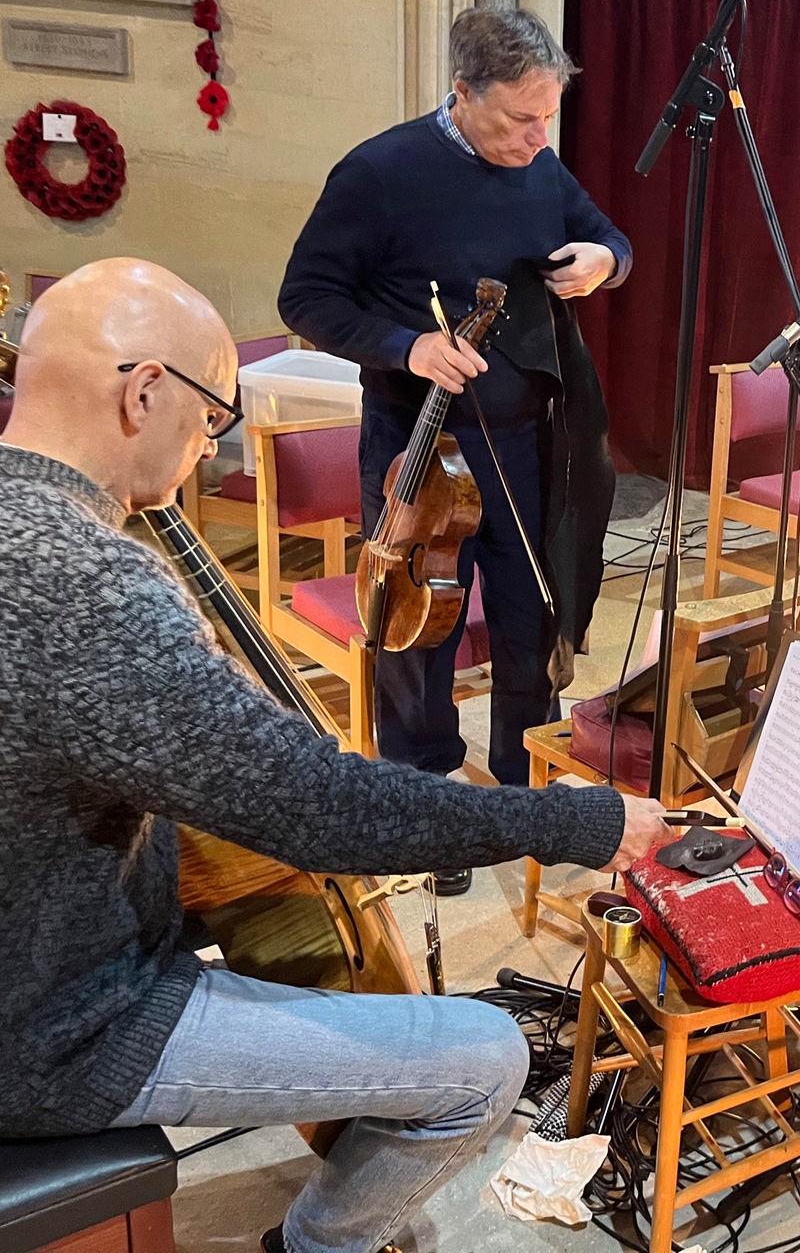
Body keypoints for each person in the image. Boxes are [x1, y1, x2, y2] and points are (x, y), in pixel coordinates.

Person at [0, 259, 672, 1253]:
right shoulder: (83, 578)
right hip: (55, 1029)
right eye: (209, 419)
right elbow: (322, 808)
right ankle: (317, 1245)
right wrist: (583, 819)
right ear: (143, 391)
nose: (201, 451)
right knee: (481, 1057)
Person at [279, 9, 627, 896]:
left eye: (547, 116)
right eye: (519, 118)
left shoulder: (540, 165)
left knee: (527, 621)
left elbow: (608, 237)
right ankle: (425, 810)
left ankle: (522, 795)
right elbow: (307, 296)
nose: (537, 138)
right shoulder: (379, 172)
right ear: (463, 93)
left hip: (525, 446)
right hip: (418, 446)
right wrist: (407, 347)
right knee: (416, 631)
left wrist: (603, 261)